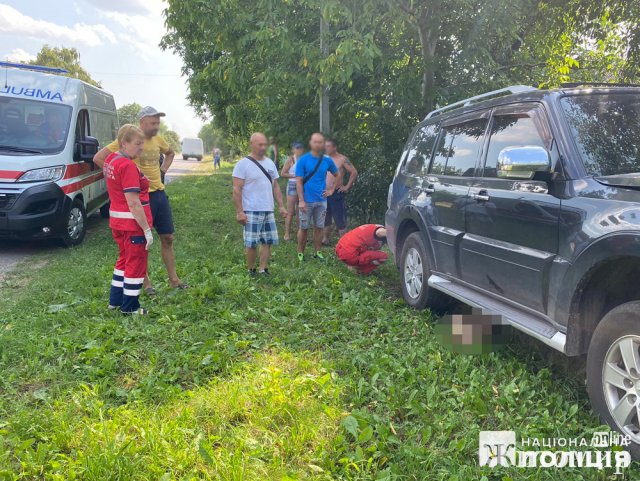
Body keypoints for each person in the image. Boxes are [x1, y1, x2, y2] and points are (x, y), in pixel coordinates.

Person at [93, 106, 188, 294]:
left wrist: (163, 171)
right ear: (142, 122)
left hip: (159, 195)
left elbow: (170, 154)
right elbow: (99, 158)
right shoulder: (128, 141)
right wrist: (119, 178)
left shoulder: (158, 140)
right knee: (140, 242)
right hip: (140, 198)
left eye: (158, 123)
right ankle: (147, 284)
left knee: (167, 237)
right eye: (153, 123)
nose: (156, 127)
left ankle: (174, 280)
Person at [103, 124, 154, 314]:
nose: (141, 148)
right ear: (124, 143)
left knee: (123, 261)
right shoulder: (127, 166)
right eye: (138, 144)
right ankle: (130, 307)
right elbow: (133, 203)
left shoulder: (111, 159)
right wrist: (146, 230)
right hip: (132, 225)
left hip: (117, 222)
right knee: (135, 263)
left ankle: (115, 301)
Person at [232, 132, 288, 275]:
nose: (263, 147)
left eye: (265, 144)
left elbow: (275, 186)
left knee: (268, 241)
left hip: (268, 209)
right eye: (260, 144)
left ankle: (263, 269)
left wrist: (281, 206)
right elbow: (236, 189)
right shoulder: (242, 164)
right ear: (252, 145)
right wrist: (240, 211)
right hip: (251, 210)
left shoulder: (270, 163)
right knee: (251, 243)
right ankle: (251, 270)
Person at [295, 132, 338, 262]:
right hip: (306, 200)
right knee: (304, 228)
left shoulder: (327, 160)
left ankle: (317, 252)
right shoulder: (303, 160)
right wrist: (301, 200)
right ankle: (300, 253)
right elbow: (298, 181)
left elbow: (337, 175)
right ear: (311, 143)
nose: (318, 144)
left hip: (321, 200)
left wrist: (331, 190)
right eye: (315, 142)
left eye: (320, 142)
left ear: (323, 144)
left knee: (319, 227)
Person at [323, 138, 358, 245]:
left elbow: (354, 172)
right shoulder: (323, 159)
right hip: (324, 192)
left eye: (329, 146)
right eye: (325, 146)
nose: (326, 148)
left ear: (334, 147)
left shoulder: (342, 159)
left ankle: (344, 241)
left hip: (336, 192)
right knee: (325, 216)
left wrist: (347, 186)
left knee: (339, 217)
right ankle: (325, 239)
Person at [279, 141, 304, 241]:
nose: (299, 150)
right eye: (297, 148)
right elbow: (283, 173)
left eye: (300, 148)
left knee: (300, 210)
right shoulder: (291, 160)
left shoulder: (304, 159)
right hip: (293, 184)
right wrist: (294, 175)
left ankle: (300, 233)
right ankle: (287, 234)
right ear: (293, 149)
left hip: (302, 185)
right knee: (290, 211)